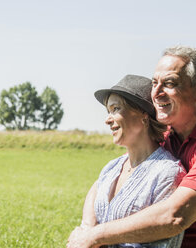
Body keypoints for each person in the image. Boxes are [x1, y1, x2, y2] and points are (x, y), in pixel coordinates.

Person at [67, 46, 196, 248]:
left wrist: (95, 236)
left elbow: (175, 215)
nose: (155, 93)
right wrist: (87, 226)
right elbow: (106, 180)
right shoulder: (167, 136)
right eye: (154, 83)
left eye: (169, 83)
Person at [68, 74, 187, 248]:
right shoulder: (112, 167)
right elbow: (95, 192)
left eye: (116, 109)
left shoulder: (167, 173)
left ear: (144, 115)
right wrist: (86, 228)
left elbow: (167, 240)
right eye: (108, 111)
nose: (107, 120)